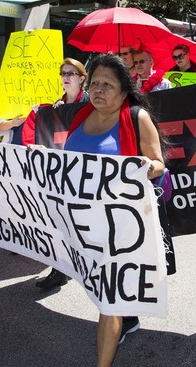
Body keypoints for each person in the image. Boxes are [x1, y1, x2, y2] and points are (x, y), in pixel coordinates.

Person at [63, 53, 169, 367]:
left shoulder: (137, 117)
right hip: (85, 222)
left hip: (121, 225)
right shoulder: (81, 115)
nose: (99, 89)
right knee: (104, 291)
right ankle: (129, 317)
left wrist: (149, 167)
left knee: (108, 300)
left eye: (107, 84)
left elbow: (159, 163)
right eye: (94, 82)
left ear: (123, 91)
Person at [35, 57, 90, 291]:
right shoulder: (56, 106)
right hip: (61, 173)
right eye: (63, 73)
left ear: (82, 78)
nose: (66, 77)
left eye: (71, 73)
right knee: (60, 221)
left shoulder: (90, 103)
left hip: (84, 172)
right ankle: (60, 269)